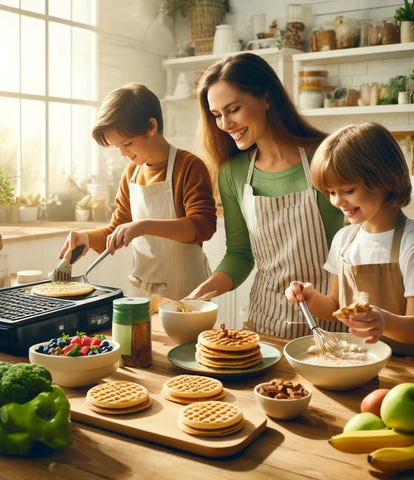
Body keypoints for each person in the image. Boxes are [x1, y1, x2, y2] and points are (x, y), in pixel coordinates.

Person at [187, 53, 343, 338]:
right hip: (267, 325)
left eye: (233, 109)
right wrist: (197, 297)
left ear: (266, 98)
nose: (225, 124)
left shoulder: (326, 156)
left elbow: (357, 249)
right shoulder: (233, 172)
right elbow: (240, 254)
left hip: (331, 327)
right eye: (217, 115)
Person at [285, 122, 414, 357]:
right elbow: (334, 307)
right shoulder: (344, 239)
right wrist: (310, 298)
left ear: (385, 179)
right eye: (331, 192)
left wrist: (384, 321)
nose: (338, 201)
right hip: (354, 360)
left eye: (348, 190)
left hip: (404, 369)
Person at [59, 82, 217, 300]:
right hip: (142, 294)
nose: (123, 153)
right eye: (118, 147)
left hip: (187, 296)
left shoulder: (189, 166)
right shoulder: (131, 173)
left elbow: (203, 226)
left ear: (151, 127)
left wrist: (143, 226)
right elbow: (117, 230)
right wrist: (85, 237)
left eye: (128, 143)